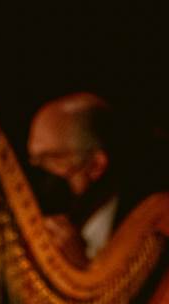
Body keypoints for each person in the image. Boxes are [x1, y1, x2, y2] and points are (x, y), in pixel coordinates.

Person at [27, 93, 122, 268]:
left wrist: (84, 268)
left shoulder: (144, 231)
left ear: (95, 165)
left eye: (51, 158)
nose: (40, 171)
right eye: (34, 160)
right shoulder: (41, 224)